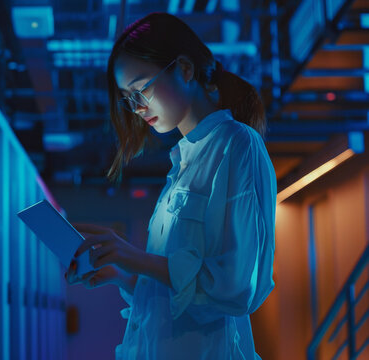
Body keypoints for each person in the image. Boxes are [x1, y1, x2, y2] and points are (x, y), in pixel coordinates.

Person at [64, 12, 276, 359]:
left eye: (141, 89)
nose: (136, 108)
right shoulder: (183, 162)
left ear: (185, 69)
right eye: (128, 98)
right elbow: (179, 300)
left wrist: (135, 258)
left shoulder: (237, 145)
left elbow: (236, 287)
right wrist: (122, 275)